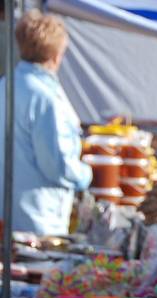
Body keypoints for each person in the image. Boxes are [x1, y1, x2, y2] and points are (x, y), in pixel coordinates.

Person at [0, 9, 91, 236]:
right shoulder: (45, 97)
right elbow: (56, 165)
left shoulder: (5, 84)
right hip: (36, 218)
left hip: (8, 212)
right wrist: (87, 174)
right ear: (56, 54)